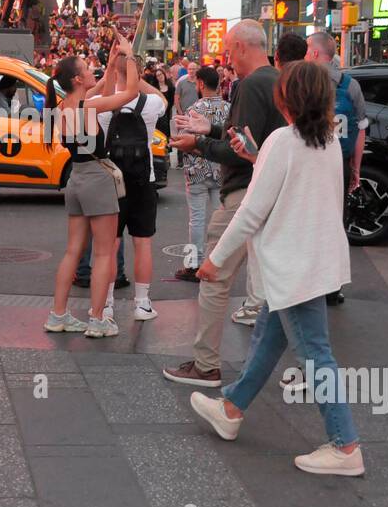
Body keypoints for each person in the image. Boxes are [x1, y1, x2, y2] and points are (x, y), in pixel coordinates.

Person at [188, 61, 364, 477]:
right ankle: (231, 409)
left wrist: (215, 260)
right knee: (269, 337)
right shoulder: (327, 141)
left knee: (316, 355)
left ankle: (345, 445)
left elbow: (251, 212)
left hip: (293, 267)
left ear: (286, 99)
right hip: (315, 262)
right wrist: (256, 156)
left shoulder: (283, 142)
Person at [164, 21, 283, 387]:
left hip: (243, 195)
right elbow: (249, 141)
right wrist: (210, 131)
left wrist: (196, 144)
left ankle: (206, 364)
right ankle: (302, 369)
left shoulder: (251, 86)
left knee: (213, 274)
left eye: (230, 51)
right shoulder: (277, 81)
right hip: (270, 192)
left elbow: (240, 152)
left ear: (245, 47)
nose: (228, 60)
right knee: (276, 289)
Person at [45, 36, 140, 338]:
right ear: (76, 78)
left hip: (76, 179)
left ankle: (58, 315)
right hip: (98, 180)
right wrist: (131, 56)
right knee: (103, 253)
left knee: (73, 251)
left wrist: (112, 64)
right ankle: (97, 319)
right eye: (86, 68)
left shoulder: (60, 109)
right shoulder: (89, 107)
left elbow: (103, 91)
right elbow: (130, 93)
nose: (91, 71)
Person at [98, 52, 166, 323]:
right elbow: (164, 98)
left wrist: (111, 71)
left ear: (115, 71)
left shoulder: (103, 105)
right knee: (143, 243)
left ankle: (107, 304)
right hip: (143, 180)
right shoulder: (149, 103)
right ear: (138, 73)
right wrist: (137, 79)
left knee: (110, 244)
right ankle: (142, 303)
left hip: (112, 181)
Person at [305, 31, 368, 306]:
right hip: (339, 163)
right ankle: (332, 286)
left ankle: (308, 282)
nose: (306, 53)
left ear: (317, 54)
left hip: (310, 160)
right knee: (336, 223)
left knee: (307, 220)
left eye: (308, 49)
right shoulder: (351, 85)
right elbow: (361, 129)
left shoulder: (305, 83)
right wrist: (356, 167)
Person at [176, 66, 228, 282]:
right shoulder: (228, 108)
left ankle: (192, 264)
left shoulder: (192, 110)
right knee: (218, 218)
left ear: (200, 84)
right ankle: (216, 262)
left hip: (196, 171)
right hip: (221, 169)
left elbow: (181, 140)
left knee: (196, 220)